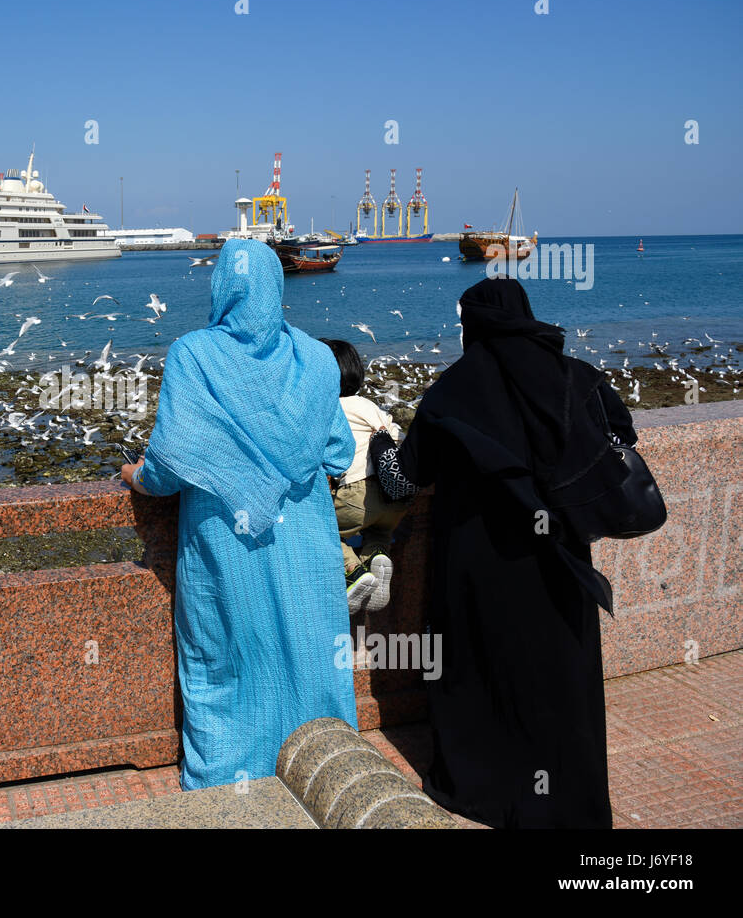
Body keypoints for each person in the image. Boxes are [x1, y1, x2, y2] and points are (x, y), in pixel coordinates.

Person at [396, 276, 635, 829]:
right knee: (556, 677)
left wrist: (380, 443)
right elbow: (621, 434)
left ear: (476, 324)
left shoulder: (453, 391)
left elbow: (407, 476)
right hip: (557, 560)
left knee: (483, 670)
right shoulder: (576, 378)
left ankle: (485, 789)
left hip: (479, 565)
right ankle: (567, 797)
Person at [120, 239, 357, 791]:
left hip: (225, 538)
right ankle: (325, 768)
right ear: (277, 288)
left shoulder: (193, 354)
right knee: (309, 649)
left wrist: (135, 476)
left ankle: (230, 782)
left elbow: (170, 464)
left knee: (228, 655)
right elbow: (338, 454)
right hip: (305, 535)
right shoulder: (316, 358)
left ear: (221, 287)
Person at [320, 338, 409, 613]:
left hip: (353, 498)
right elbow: (393, 437)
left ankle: (353, 572)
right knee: (379, 532)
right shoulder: (372, 407)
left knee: (322, 530)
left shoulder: (328, 409)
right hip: (391, 501)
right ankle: (376, 558)